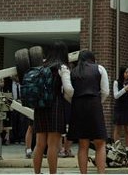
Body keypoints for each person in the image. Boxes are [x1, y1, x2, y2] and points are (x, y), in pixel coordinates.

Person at [62, 50, 110, 174]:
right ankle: (101, 173)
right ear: (92, 59)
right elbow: (105, 91)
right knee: (100, 143)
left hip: (78, 106)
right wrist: (98, 101)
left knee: (83, 144)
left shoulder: (73, 72)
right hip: (94, 104)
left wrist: (75, 101)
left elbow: (67, 92)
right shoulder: (99, 68)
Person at [32, 41, 69, 174]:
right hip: (56, 104)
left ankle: (37, 172)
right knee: (53, 144)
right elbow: (67, 89)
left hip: (40, 106)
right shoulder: (62, 67)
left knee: (39, 143)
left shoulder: (42, 66)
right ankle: (52, 173)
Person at [113, 66, 128, 149]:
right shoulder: (116, 82)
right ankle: (117, 148)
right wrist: (124, 89)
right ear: (122, 73)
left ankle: (127, 148)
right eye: (126, 72)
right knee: (118, 129)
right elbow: (116, 96)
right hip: (119, 108)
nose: (127, 74)